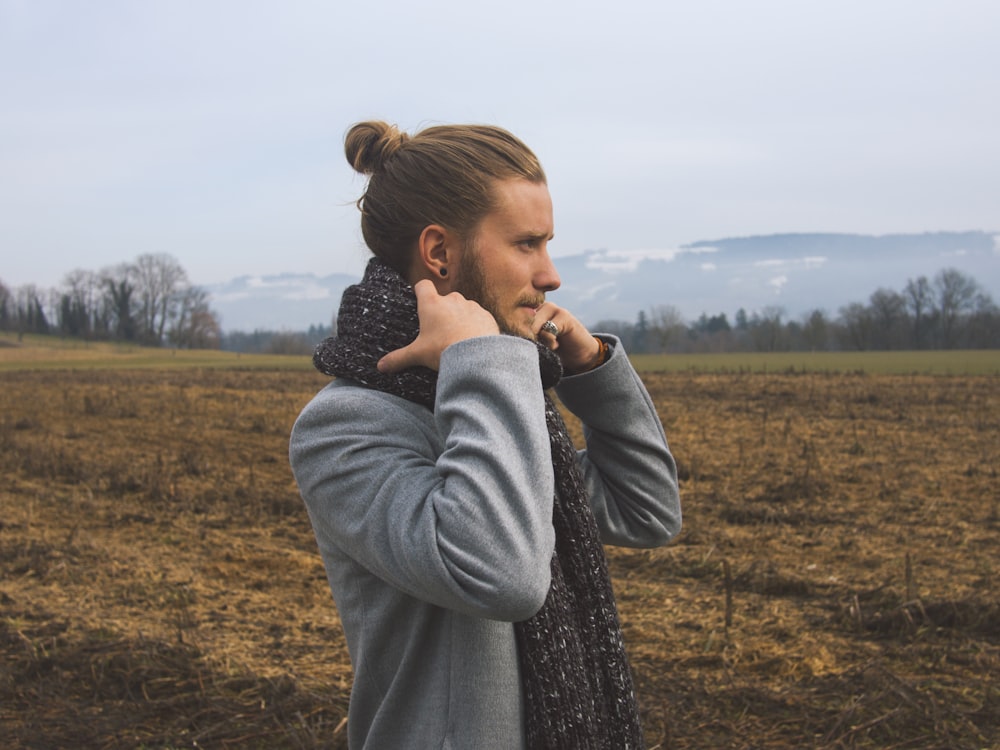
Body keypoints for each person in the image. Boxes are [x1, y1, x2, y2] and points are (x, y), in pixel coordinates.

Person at [289, 120, 681, 750]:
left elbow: (647, 513)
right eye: (527, 244)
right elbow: (503, 576)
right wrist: (485, 363)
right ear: (440, 252)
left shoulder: (506, 406)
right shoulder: (345, 427)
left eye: (548, 244)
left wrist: (590, 371)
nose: (551, 275)